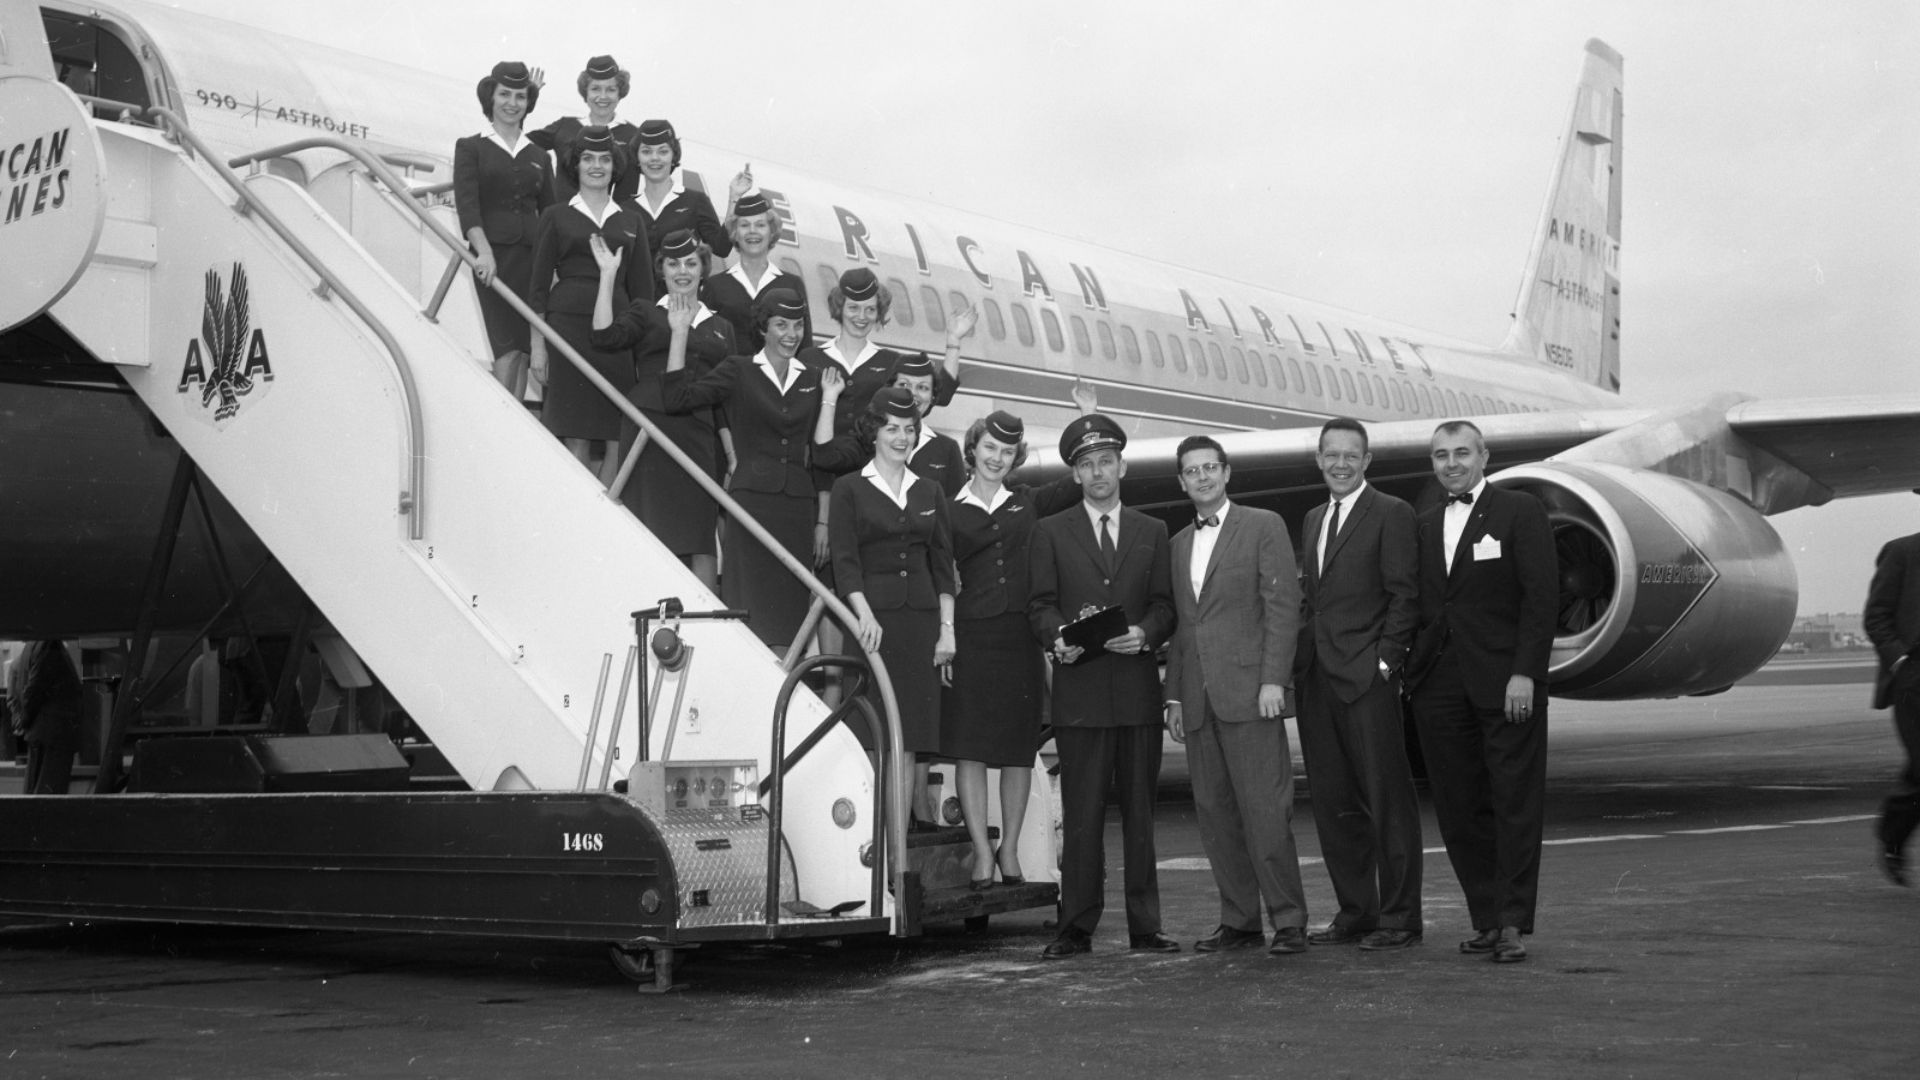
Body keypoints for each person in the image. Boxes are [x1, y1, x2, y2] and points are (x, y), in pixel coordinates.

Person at [1405, 420, 1557, 964]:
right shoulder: (1425, 523)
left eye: (1462, 453)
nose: (1452, 464)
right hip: (1440, 687)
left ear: (1484, 456)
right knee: (1458, 806)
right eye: (1441, 455)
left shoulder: (1520, 511)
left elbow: (1542, 599)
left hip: (1506, 682)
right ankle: (1486, 919)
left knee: (1514, 803)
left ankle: (1513, 922)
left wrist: (1526, 673)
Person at [1029, 414, 1177, 958]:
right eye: (1087, 465)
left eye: (1106, 462)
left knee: (1141, 818)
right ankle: (1075, 926)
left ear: (1122, 467)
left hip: (1136, 694)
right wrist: (1057, 638)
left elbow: (1165, 605)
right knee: (1083, 818)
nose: (1097, 473)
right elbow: (1040, 605)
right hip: (1081, 695)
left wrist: (1146, 633)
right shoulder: (1050, 531)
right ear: (1074, 474)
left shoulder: (1152, 530)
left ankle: (1146, 926)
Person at [940, 387, 1096, 888]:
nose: (996, 457)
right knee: (968, 748)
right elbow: (938, 575)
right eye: (989, 447)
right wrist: (944, 637)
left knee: (1015, 749)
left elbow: (1082, 477)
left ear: (1016, 458)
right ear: (973, 449)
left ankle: (1009, 849)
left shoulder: (1028, 502)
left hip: (1018, 639)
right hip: (970, 638)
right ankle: (981, 852)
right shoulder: (946, 508)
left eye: (1007, 452)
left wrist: (1088, 419)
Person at [1162, 435, 1310, 955]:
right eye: (1192, 471)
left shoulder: (1264, 525)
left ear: (1226, 473)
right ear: (1181, 482)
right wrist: (1175, 697)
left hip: (1251, 693)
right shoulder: (1178, 543)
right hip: (1199, 699)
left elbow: (1282, 608)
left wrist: (1274, 680)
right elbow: (1185, 627)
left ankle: (1288, 920)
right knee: (1216, 816)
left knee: (1266, 812)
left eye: (1210, 467)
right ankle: (1240, 922)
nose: (1202, 477)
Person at [1294, 418, 1424, 950]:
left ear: (1367, 461)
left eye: (1352, 455)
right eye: (1332, 455)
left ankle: (1400, 918)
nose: (1341, 464)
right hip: (1318, 680)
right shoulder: (1313, 518)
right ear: (1319, 460)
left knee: (1386, 801)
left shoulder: (1391, 513)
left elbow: (1405, 595)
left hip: (1367, 679)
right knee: (1333, 803)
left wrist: (1385, 665)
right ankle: (1356, 912)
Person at [636, 287, 821, 650]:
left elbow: (825, 452)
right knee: (749, 609)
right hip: (750, 503)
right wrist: (679, 333)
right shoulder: (739, 369)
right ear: (763, 328)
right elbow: (677, 398)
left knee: (790, 616)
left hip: (797, 509)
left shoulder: (814, 378)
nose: (791, 334)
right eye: (781, 325)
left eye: (798, 325)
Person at [827, 388, 957, 826]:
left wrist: (947, 629)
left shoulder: (930, 490)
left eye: (909, 430)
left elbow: (943, 567)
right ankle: (873, 848)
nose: (902, 438)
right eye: (892, 429)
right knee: (874, 738)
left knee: (908, 742)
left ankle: (896, 852)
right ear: (874, 432)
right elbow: (845, 562)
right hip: (872, 626)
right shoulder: (849, 488)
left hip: (921, 626)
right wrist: (863, 614)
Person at [588, 229, 729, 586]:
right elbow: (603, 336)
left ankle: (701, 615)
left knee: (700, 538)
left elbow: (728, 396)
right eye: (673, 264)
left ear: (703, 268)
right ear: (661, 270)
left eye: (691, 263)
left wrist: (730, 452)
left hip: (698, 433)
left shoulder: (721, 326)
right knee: (645, 529)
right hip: (649, 429)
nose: (682, 271)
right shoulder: (647, 311)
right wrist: (607, 276)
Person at [528, 126, 654, 486]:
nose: (596, 166)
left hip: (617, 335)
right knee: (575, 433)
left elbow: (643, 293)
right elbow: (537, 288)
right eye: (588, 159)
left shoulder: (631, 220)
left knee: (617, 435)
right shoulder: (555, 215)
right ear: (576, 165)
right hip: (566, 329)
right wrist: (538, 346)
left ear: (615, 167)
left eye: (604, 159)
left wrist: (641, 353)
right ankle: (578, 506)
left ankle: (602, 509)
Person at [454, 60, 555, 397]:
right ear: (491, 97)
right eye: (505, 94)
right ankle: (501, 415)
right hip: (493, 259)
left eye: (520, 96)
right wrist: (483, 252)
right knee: (506, 349)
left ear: (529, 102)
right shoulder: (471, 147)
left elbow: (550, 214)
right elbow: (468, 206)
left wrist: (553, 266)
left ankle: (513, 416)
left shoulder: (539, 155)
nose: (512, 103)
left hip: (532, 262)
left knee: (525, 350)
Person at [630, 120, 746, 292]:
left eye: (663, 151)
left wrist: (734, 198)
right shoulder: (626, 209)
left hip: (681, 302)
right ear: (637, 158)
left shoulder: (695, 201)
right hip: (636, 304)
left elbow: (721, 248)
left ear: (673, 156)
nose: (654, 158)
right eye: (646, 151)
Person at [1864, 527, 1920, 886]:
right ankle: (1893, 835)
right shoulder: (1902, 552)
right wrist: (1900, 662)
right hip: (1915, 679)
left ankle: (1893, 835)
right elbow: (1876, 616)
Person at [701, 192, 810, 354]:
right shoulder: (715, 286)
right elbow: (704, 346)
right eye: (744, 225)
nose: (752, 231)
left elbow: (805, 347)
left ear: (771, 232)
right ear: (735, 233)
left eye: (760, 225)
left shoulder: (792, 284)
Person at [527, 55, 642, 203]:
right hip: (559, 216)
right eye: (595, 89)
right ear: (585, 92)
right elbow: (514, 145)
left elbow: (626, 196)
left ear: (620, 93)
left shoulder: (632, 135)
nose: (603, 96)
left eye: (611, 89)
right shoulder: (565, 126)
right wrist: (525, 100)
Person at [17, 640, 83, 794]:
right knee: (48, 795)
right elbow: (34, 689)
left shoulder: (33, 646)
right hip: (54, 735)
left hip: (44, 733)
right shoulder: (49, 645)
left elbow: (28, 689)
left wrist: (24, 720)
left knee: (40, 794)